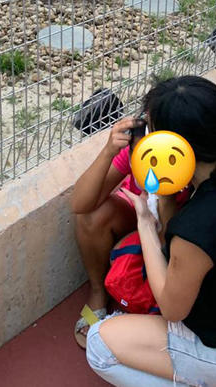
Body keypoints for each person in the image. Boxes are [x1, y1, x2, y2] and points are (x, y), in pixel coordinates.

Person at [85, 76, 216, 387]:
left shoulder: (198, 225)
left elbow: (172, 308)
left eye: (152, 133)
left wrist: (146, 222)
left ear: (172, 149)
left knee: (100, 344)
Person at [70, 88, 191, 348]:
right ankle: (98, 291)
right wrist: (108, 152)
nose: (148, 136)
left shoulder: (191, 159)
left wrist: (166, 195)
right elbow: (80, 204)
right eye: (146, 124)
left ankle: (155, 307)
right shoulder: (140, 150)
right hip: (143, 219)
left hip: (183, 233)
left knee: (170, 260)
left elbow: (171, 240)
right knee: (92, 216)